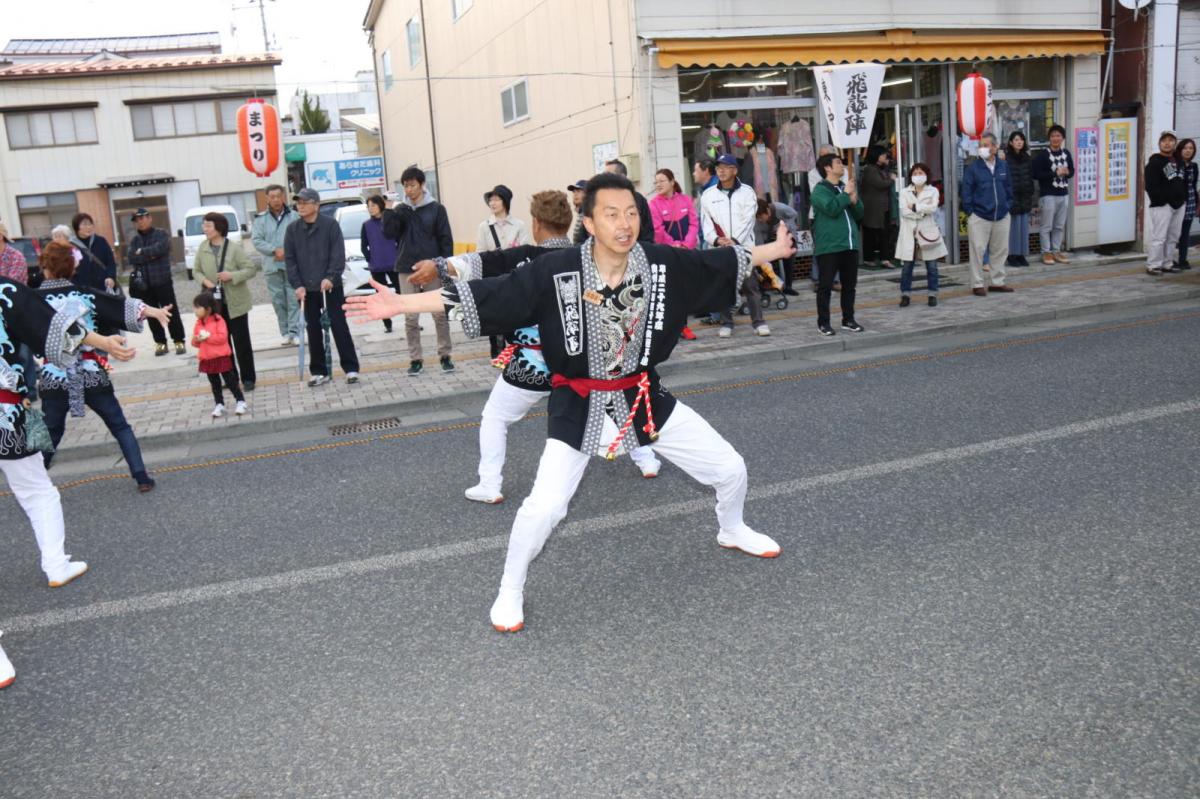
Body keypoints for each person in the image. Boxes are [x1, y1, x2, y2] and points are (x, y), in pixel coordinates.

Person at [345, 172, 795, 633]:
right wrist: (403, 304)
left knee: (731, 467)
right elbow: (490, 293)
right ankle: (510, 588)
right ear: (590, 222)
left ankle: (731, 527)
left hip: (642, 395)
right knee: (544, 509)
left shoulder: (661, 264)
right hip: (578, 401)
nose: (624, 224)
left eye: (631, 213)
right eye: (611, 214)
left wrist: (774, 252)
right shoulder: (556, 269)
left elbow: (715, 262)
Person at [409, 189, 662, 503]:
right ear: (569, 222)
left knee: (496, 416)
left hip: (534, 363)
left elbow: (476, 264)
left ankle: (490, 484)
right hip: (581, 362)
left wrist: (437, 265)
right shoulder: (589, 258)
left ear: (537, 223)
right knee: (613, 403)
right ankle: (646, 460)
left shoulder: (523, 257)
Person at [0, 276, 137, 691]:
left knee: (36, 489)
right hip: (6, 414)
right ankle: (55, 563)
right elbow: (55, 330)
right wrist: (106, 342)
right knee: (37, 490)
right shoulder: (4, 292)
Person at [36, 240, 167, 492]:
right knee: (119, 425)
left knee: (51, 432)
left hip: (55, 375)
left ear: (45, 267)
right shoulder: (85, 294)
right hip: (90, 371)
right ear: (72, 267)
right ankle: (141, 476)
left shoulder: (34, 301)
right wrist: (153, 311)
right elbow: (118, 305)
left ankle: (35, 485)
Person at [382, 166, 455, 375]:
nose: (409, 189)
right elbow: (388, 233)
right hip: (406, 268)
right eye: (405, 185)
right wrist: (388, 208)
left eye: (412, 185)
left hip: (431, 267)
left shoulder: (436, 209)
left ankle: (445, 355)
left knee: (439, 313)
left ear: (422, 185)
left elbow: (445, 239)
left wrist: (444, 266)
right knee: (410, 317)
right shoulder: (400, 210)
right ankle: (415, 359)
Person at [284, 187, 361, 385]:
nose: (300, 206)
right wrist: (297, 285)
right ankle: (319, 371)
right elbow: (290, 261)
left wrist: (331, 277)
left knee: (338, 325)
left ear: (316, 205)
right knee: (313, 330)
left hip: (330, 287)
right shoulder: (292, 230)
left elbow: (338, 255)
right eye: (298, 203)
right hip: (306, 289)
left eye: (304, 202)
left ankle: (351, 368)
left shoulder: (330, 225)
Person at [701, 153, 768, 338]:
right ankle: (727, 323)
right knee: (724, 287)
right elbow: (706, 222)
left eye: (725, 167)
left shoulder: (747, 192)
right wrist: (715, 240)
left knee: (750, 286)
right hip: (720, 248)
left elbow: (749, 220)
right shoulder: (708, 195)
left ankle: (759, 322)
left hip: (743, 246)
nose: (721, 171)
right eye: (718, 167)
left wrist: (735, 240)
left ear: (734, 170)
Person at [193, 211, 258, 390]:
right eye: (204, 225)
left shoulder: (234, 248)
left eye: (208, 225)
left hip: (236, 303)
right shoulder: (202, 247)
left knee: (241, 342)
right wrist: (206, 282)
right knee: (222, 343)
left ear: (219, 227)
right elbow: (196, 270)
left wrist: (232, 275)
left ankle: (248, 378)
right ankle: (231, 379)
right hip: (214, 305)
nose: (204, 228)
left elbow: (250, 269)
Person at [810, 151, 865, 336]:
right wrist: (846, 195)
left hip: (850, 244)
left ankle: (848, 319)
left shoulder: (845, 187)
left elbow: (859, 214)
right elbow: (831, 209)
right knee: (825, 286)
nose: (842, 165)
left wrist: (855, 201)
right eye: (838, 162)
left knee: (850, 285)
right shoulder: (819, 190)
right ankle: (823, 322)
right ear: (827, 167)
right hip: (830, 246)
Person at [960, 132, 1015, 296]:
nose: (982, 148)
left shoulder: (1003, 166)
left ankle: (997, 282)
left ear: (995, 147)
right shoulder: (973, 168)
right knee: (977, 251)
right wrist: (970, 212)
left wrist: (1008, 205)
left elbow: (1009, 188)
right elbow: (966, 191)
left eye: (985, 145)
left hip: (1002, 215)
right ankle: (977, 284)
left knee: (1000, 250)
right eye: (981, 145)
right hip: (979, 216)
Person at [127, 208, 187, 354]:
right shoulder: (135, 240)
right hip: (144, 284)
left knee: (171, 312)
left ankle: (179, 340)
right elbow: (131, 257)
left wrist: (142, 252)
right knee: (151, 314)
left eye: (142, 218)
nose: (140, 222)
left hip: (162, 280)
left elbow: (161, 249)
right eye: (137, 220)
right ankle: (160, 342)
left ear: (149, 218)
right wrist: (150, 254)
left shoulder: (161, 233)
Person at [250, 184, 302, 346]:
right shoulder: (261, 219)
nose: (276, 200)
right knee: (278, 300)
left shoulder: (294, 216)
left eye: (278, 196)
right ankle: (285, 332)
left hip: (292, 264)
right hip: (271, 265)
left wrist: (287, 251)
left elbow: (301, 236)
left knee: (294, 298)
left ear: (283, 197)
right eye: (272, 197)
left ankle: (295, 331)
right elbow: (257, 240)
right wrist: (274, 250)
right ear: (267, 198)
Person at [895, 163, 948, 307]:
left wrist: (915, 207)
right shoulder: (904, 192)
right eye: (915, 173)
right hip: (909, 231)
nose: (918, 175)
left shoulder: (933, 191)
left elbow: (933, 208)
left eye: (921, 172)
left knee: (932, 266)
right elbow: (904, 211)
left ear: (926, 175)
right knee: (907, 267)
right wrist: (921, 212)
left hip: (927, 231)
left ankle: (932, 293)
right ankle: (905, 294)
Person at [192, 291, 246, 417]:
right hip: (207, 358)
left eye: (197, 307)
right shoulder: (199, 323)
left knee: (230, 380)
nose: (194, 310)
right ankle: (219, 404)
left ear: (208, 309)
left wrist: (207, 338)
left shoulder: (218, 320)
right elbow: (194, 343)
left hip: (221, 356)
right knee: (214, 383)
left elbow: (222, 338)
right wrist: (197, 339)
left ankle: (240, 401)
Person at [1031, 124, 1075, 264]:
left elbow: (1072, 171)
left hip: (1063, 193)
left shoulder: (1066, 153)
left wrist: (1067, 172)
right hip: (1048, 194)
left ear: (1062, 138)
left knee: (1059, 225)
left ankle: (1056, 250)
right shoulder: (1043, 155)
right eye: (1053, 136)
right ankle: (1046, 252)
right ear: (1049, 138)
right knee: (1046, 226)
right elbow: (1036, 174)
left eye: (1058, 136)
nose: (1055, 138)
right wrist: (1054, 173)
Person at [1145, 131, 1187, 276]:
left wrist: (1183, 199)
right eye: (1164, 140)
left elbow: (1183, 182)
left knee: (1173, 236)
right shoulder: (1155, 162)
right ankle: (1153, 265)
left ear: (1175, 143)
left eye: (1170, 140)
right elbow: (1150, 185)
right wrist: (1161, 201)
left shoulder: (1179, 162)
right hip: (1162, 205)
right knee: (1159, 236)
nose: (1167, 143)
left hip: (1179, 204)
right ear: (1159, 143)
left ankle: (1167, 263)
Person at [360, 194, 400, 333]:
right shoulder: (366, 225)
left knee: (403, 293)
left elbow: (399, 240)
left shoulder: (389, 220)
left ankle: (411, 321)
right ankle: (387, 324)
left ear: (380, 205)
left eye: (373, 205)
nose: (370, 209)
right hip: (376, 266)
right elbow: (363, 246)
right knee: (381, 296)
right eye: (368, 206)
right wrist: (370, 258)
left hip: (394, 263)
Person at [808, 144, 839, 290]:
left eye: (826, 155)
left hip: (837, 212)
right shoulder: (813, 173)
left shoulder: (842, 170)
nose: (822, 158)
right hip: (817, 214)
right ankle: (817, 279)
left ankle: (835, 279)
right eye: (820, 155)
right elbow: (819, 194)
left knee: (837, 247)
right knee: (819, 247)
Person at [754, 198, 800, 296]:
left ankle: (788, 286)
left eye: (761, 217)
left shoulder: (779, 208)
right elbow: (759, 241)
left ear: (767, 211)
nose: (759, 220)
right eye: (757, 217)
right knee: (761, 260)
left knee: (790, 253)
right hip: (768, 240)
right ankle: (768, 284)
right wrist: (763, 254)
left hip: (784, 236)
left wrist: (785, 226)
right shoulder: (756, 222)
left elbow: (794, 214)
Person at [603, 159, 655, 243]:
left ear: (622, 177)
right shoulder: (600, 201)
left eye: (608, 175)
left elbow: (648, 233)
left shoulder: (638, 199)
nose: (604, 179)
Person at [860, 146, 896, 268]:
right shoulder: (870, 169)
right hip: (873, 208)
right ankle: (869, 258)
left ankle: (884, 259)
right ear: (876, 156)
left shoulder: (882, 169)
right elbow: (880, 184)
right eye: (883, 155)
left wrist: (888, 166)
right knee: (871, 233)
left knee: (884, 233)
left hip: (883, 207)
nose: (886, 157)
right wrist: (892, 180)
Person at [1004, 131, 1035, 267]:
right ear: (1011, 142)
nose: (1019, 142)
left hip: (1025, 197)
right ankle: (1012, 255)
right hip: (1012, 198)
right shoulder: (1006, 158)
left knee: (1023, 228)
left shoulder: (1027, 158)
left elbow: (1030, 178)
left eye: (1021, 139)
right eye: (1016, 139)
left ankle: (1021, 254)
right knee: (1013, 229)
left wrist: (1031, 194)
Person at [69, 213, 118, 291]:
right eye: (84, 224)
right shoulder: (71, 246)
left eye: (90, 224)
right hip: (82, 289)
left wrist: (111, 277)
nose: (88, 227)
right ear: (76, 227)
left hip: (103, 286)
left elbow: (110, 262)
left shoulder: (101, 241)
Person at [476, 184, 532, 252]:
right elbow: (481, 252)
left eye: (496, 200)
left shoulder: (520, 225)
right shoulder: (484, 226)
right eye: (490, 200)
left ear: (505, 202)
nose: (492, 203)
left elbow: (527, 250)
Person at [1175, 138, 1197, 270]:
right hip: (1177, 202)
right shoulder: (1175, 164)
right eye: (1185, 148)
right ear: (1180, 149)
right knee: (1173, 233)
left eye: (1191, 148)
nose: (1188, 151)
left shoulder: (1194, 166)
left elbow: (1193, 185)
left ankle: (1183, 259)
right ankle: (1167, 260)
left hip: (1190, 202)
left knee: (1185, 232)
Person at [568, 178, 589, 244]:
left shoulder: (587, 214)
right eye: (574, 192)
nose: (575, 194)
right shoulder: (582, 212)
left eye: (578, 191)